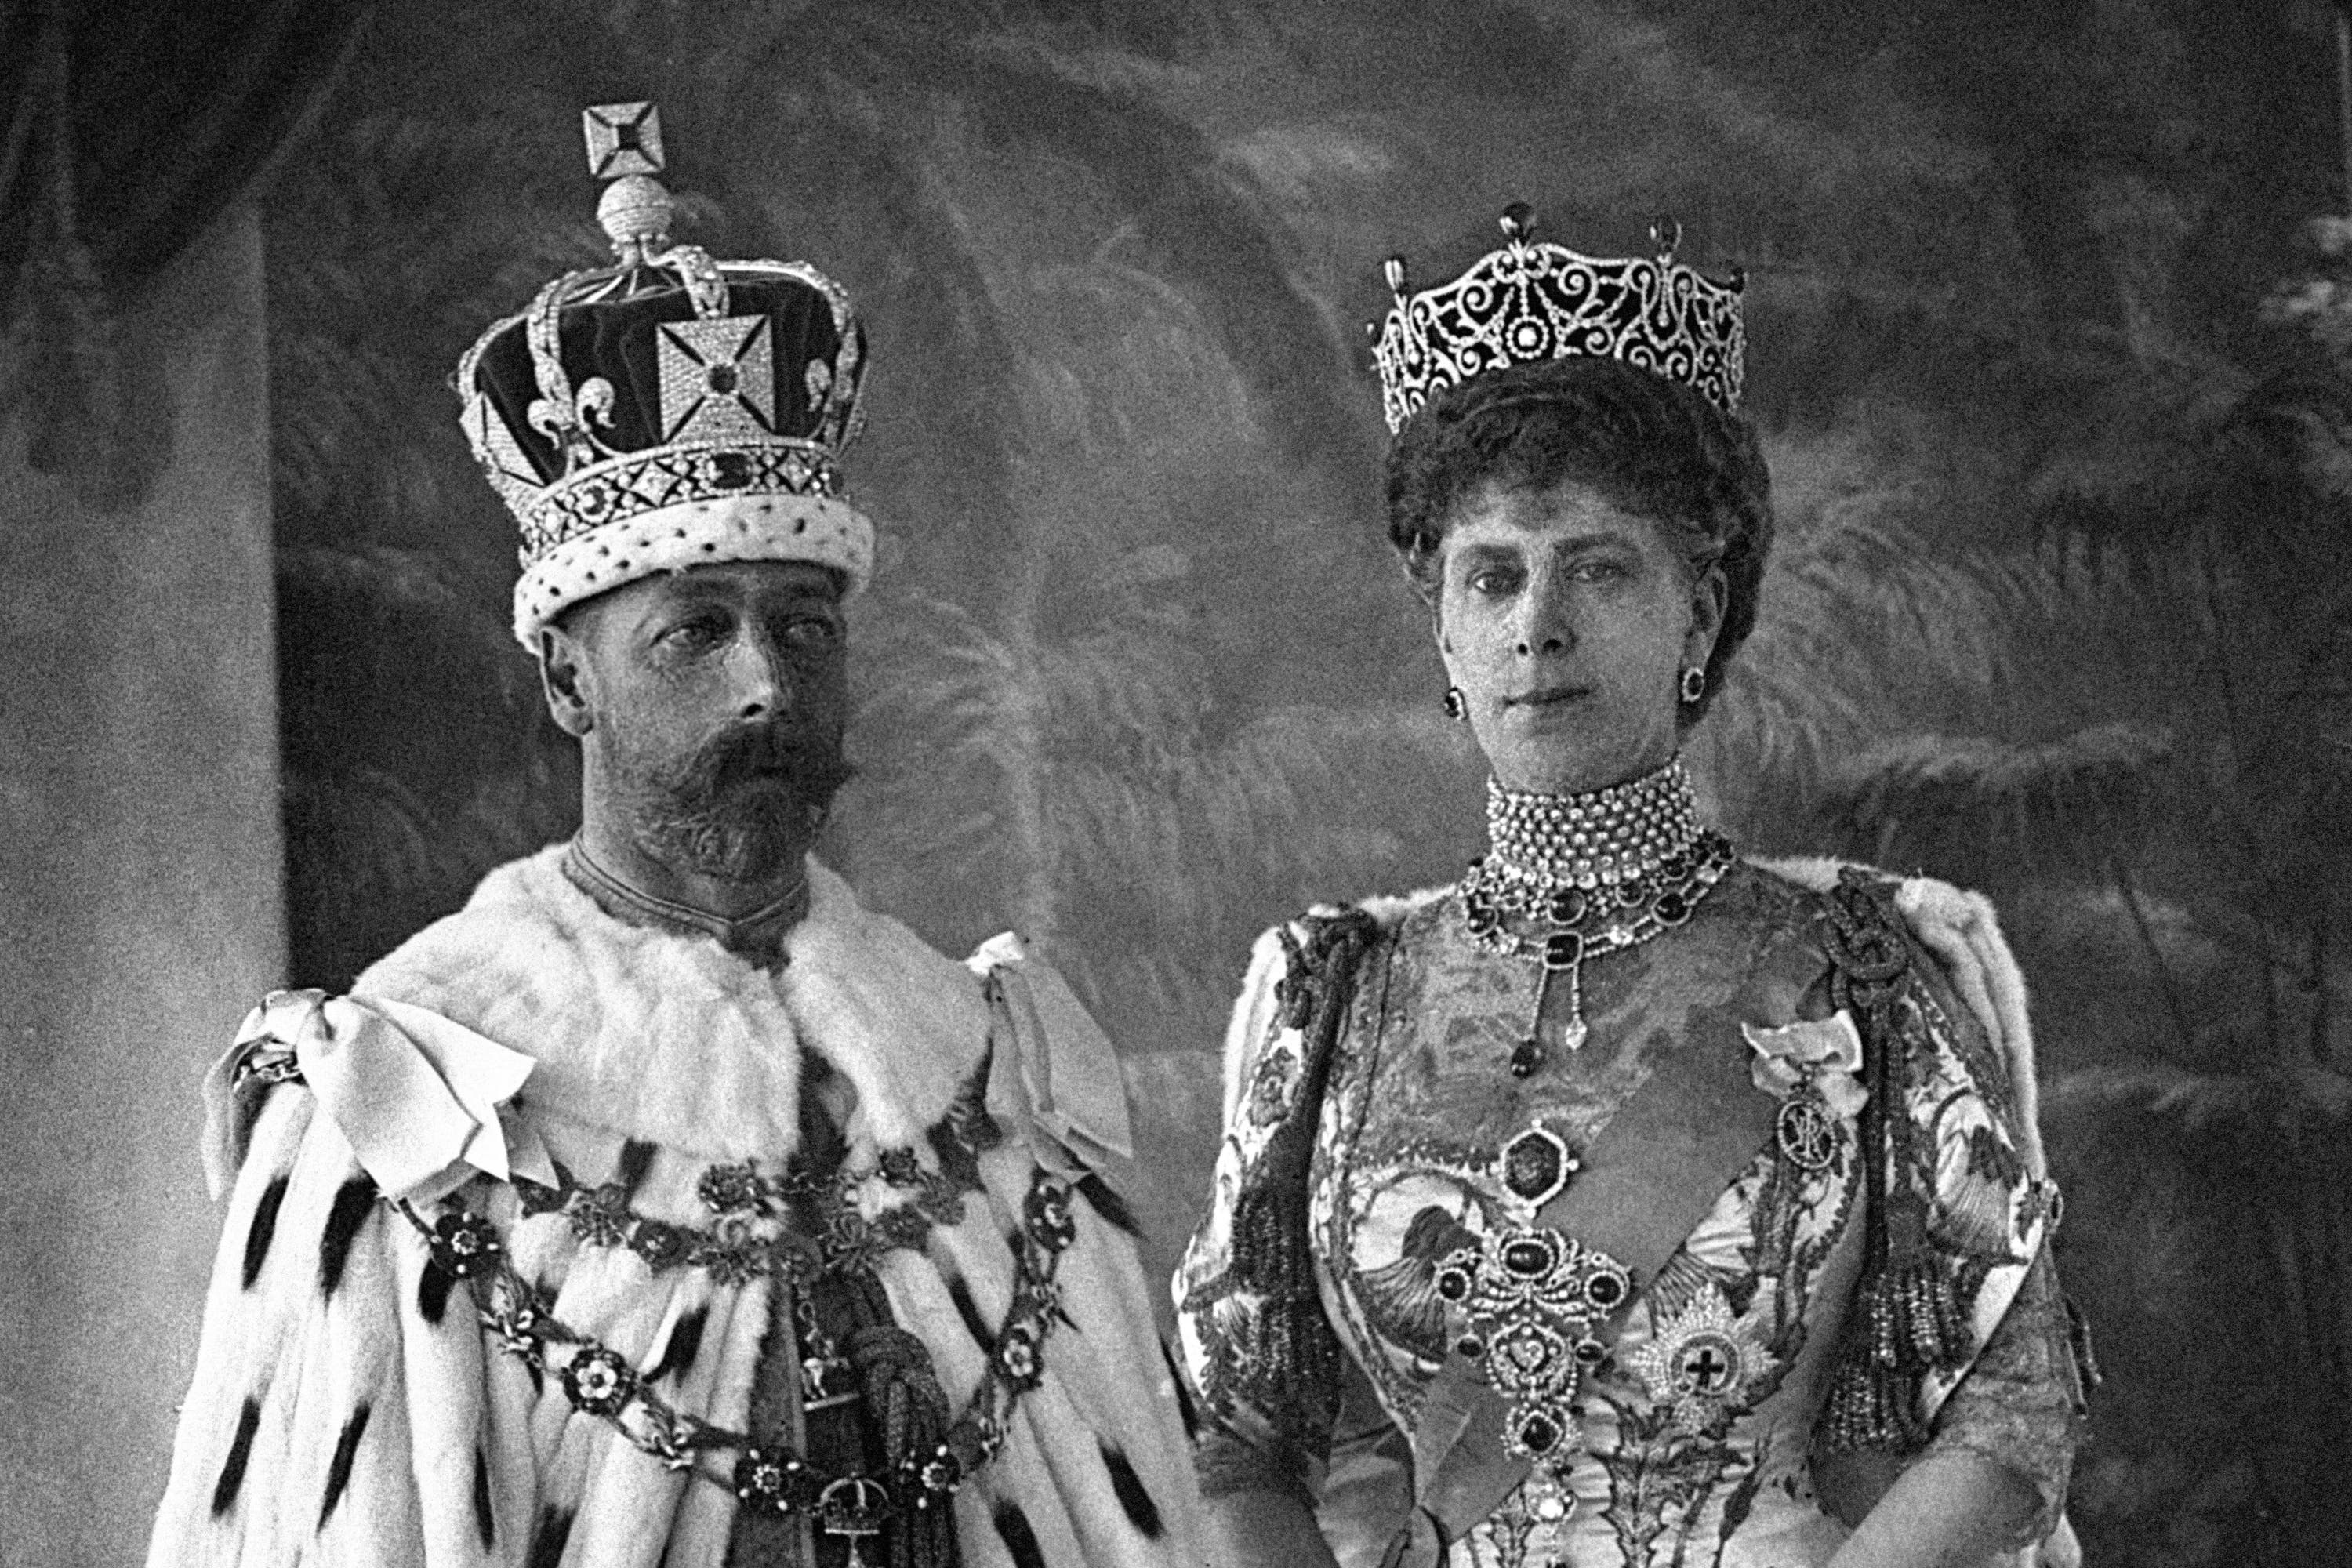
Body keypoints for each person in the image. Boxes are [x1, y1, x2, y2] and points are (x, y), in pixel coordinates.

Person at [147, 104, 1200, 1568]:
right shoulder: (406, 1111)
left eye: (804, 627)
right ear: (568, 680)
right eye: (696, 632)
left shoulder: (981, 1065)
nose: (767, 683)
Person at [1174, 207, 2087, 1568]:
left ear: (1700, 617)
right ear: (1446, 632)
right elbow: (1231, 1433)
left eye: (1597, 567)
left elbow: (2017, 1417)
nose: (1539, 624)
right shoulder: (1335, 993)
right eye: (1494, 577)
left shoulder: (1859, 971)